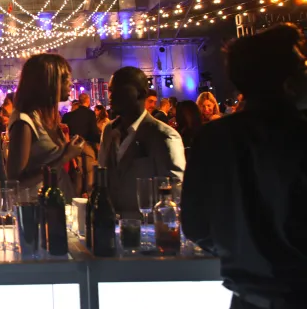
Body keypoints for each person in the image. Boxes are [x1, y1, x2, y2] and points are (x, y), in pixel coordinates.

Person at [183, 23, 307, 309]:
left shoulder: (213, 138)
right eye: (301, 67)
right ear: (285, 80)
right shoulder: (299, 137)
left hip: (246, 299)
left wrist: (241, 250)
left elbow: (196, 225)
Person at [99, 66, 185, 217]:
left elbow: (176, 192)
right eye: (111, 90)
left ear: (141, 93)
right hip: (111, 226)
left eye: (119, 90)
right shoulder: (109, 131)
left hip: (147, 230)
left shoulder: (164, 136)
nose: (111, 96)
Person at [6, 54, 88, 196]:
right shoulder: (24, 122)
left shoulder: (50, 119)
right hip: (37, 209)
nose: (70, 83)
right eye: (65, 78)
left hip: (59, 203)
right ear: (48, 82)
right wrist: (65, 157)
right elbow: (16, 183)